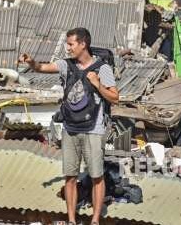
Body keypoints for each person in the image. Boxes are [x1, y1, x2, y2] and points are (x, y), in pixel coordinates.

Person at [19, 27, 119, 225]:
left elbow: (115, 98)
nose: (68, 48)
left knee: (97, 176)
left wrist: (98, 84)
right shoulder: (66, 65)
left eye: (71, 44)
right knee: (70, 176)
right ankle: (71, 220)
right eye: (67, 44)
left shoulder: (102, 69)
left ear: (83, 44)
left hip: (93, 129)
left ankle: (95, 220)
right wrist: (31, 62)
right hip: (70, 129)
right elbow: (41, 68)